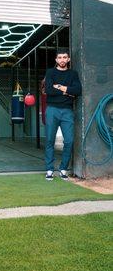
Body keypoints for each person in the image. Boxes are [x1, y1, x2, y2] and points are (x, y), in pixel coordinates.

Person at [45, 51, 82, 181]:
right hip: (52, 110)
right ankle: (49, 169)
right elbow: (48, 90)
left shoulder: (73, 74)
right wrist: (68, 92)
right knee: (49, 140)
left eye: (64, 57)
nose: (62, 59)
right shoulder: (50, 72)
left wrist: (59, 87)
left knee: (69, 141)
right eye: (59, 57)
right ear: (56, 59)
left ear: (68, 59)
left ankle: (63, 169)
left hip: (67, 110)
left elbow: (78, 91)